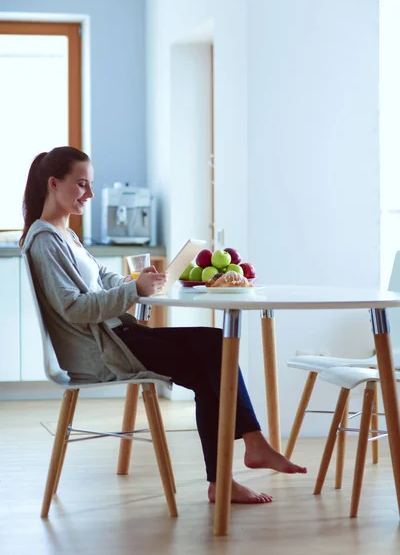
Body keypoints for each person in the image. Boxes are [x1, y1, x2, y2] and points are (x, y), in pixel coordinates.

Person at [20, 146, 306, 504]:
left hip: (118, 335)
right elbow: (74, 308)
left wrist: (134, 281)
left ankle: (229, 474)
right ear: (53, 183)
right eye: (82, 185)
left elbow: (101, 278)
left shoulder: (67, 236)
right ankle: (250, 447)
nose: (90, 195)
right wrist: (131, 290)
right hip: (103, 350)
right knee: (216, 347)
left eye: (91, 185)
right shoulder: (45, 241)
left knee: (212, 360)